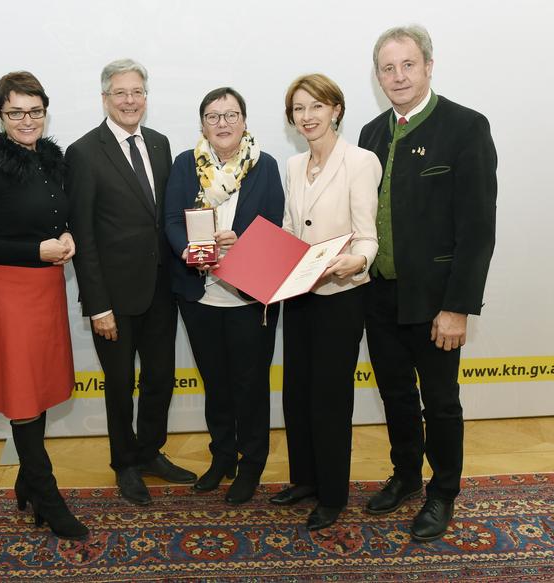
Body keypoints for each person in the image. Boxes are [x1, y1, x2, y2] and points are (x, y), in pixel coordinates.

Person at [359, 25, 497, 542]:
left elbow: (479, 228)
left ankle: (443, 493)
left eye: (408, 65)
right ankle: (406, 476)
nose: (398, 76)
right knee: (394, 393)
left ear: (429, 67)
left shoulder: (465, 127)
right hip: (379, 294)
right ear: (377, 75)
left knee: (439, 401)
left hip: (437, 301)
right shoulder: (371, 134)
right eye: (388, 68)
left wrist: (458, 306)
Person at [65, 59, 197, 505]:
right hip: (114, 299)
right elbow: (83, 233)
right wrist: (97, 305)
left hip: (162, 289)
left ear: (146, 96)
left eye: (137, 91)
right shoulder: (83, 152)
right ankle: (124, 463)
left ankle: (150, 452)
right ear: (105, 98)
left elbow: (167, 217)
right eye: (120, 92)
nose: (129, 100)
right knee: (120, 385)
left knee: (160, 377)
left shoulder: (160, 145)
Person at [0, 71, 87, 540]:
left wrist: (68, 235)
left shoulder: (49, 160)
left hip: (46, 289)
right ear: (1, 114)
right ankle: (47, 493)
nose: (27, 120)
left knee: (37, 388)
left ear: (44, 111)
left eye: (35, 111)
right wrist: (36, 251)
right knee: (22, 394)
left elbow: (62, 214)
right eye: (16, 112)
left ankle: (24, 481)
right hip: (8, 292)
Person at [269, 74, 380, 529]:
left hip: (340, 296)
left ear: (336, 109)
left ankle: (333, 495)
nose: (308, 116)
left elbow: (368, 235)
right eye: (299, 109)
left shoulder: (361, 161)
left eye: (317, 106)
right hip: (298, 295)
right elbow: (293, 229)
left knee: (330, 398)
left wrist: (356, 261)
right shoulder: (294, 165)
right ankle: (306, 480)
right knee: (297, 392)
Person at [164, 87, 284, 505]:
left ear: (245, 122)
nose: (222, 123)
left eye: (231, 115)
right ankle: (222, 458)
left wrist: (242, 241)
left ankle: (251, 465)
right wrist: (188, 250)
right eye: (213, 116)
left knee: (250, 386)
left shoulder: (264, 166)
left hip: (249, 298)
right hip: (200, 295)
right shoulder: (185, 165)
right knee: (215, 384)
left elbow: (275, 228)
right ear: (202, 124)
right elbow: (171, 219)